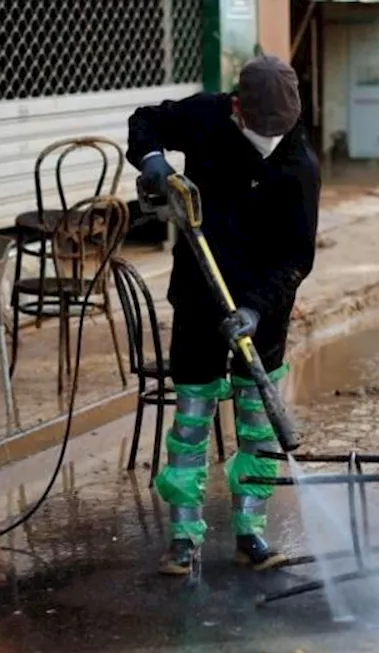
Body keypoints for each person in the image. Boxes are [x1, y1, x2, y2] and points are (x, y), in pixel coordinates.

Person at [126, 54, 320, 576]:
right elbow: (144, 121)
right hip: (198, 298)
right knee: (190, 423)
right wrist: (152, 160)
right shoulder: (208, 117)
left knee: (257, 431)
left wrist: (256, 309)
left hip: (263, 317)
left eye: (278, 132)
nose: (268, 141)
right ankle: (184, 537)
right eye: (259, 130)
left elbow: (296, 256)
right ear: (236, 109)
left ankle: (250, 534)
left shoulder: (299, 165)